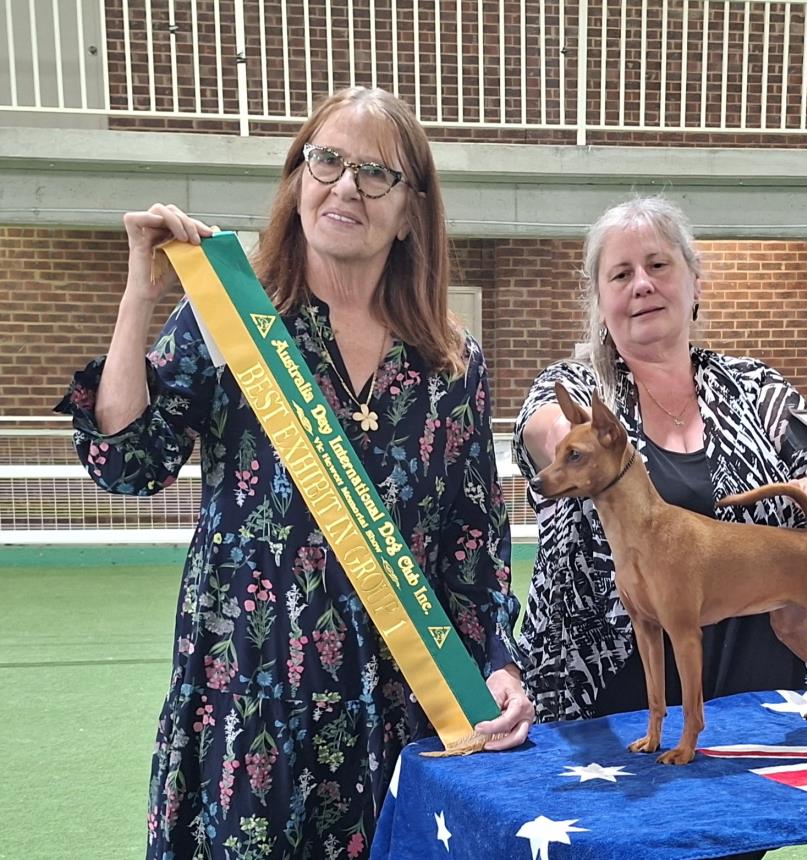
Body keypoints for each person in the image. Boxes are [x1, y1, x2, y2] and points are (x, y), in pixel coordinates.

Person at [57, 86, 532, 859]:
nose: (346, 186)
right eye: (328, 161)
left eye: (376, 173)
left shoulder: (451, 360)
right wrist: (140, 291)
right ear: (298, 180)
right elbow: (128, 463)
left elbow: (472, 542)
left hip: (397, 703)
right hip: (248, 695)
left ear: (409, 213)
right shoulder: (230, 319)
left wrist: (497, 663)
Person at [513, 195, 807, 726]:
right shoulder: (578, 387)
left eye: (658, 265)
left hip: (762, 690)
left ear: (695, 282)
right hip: (603, 701)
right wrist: (575, 444)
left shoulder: (752, 385)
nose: (642, 284)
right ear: (600, 300)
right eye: (621, 274)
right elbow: (545, 427)